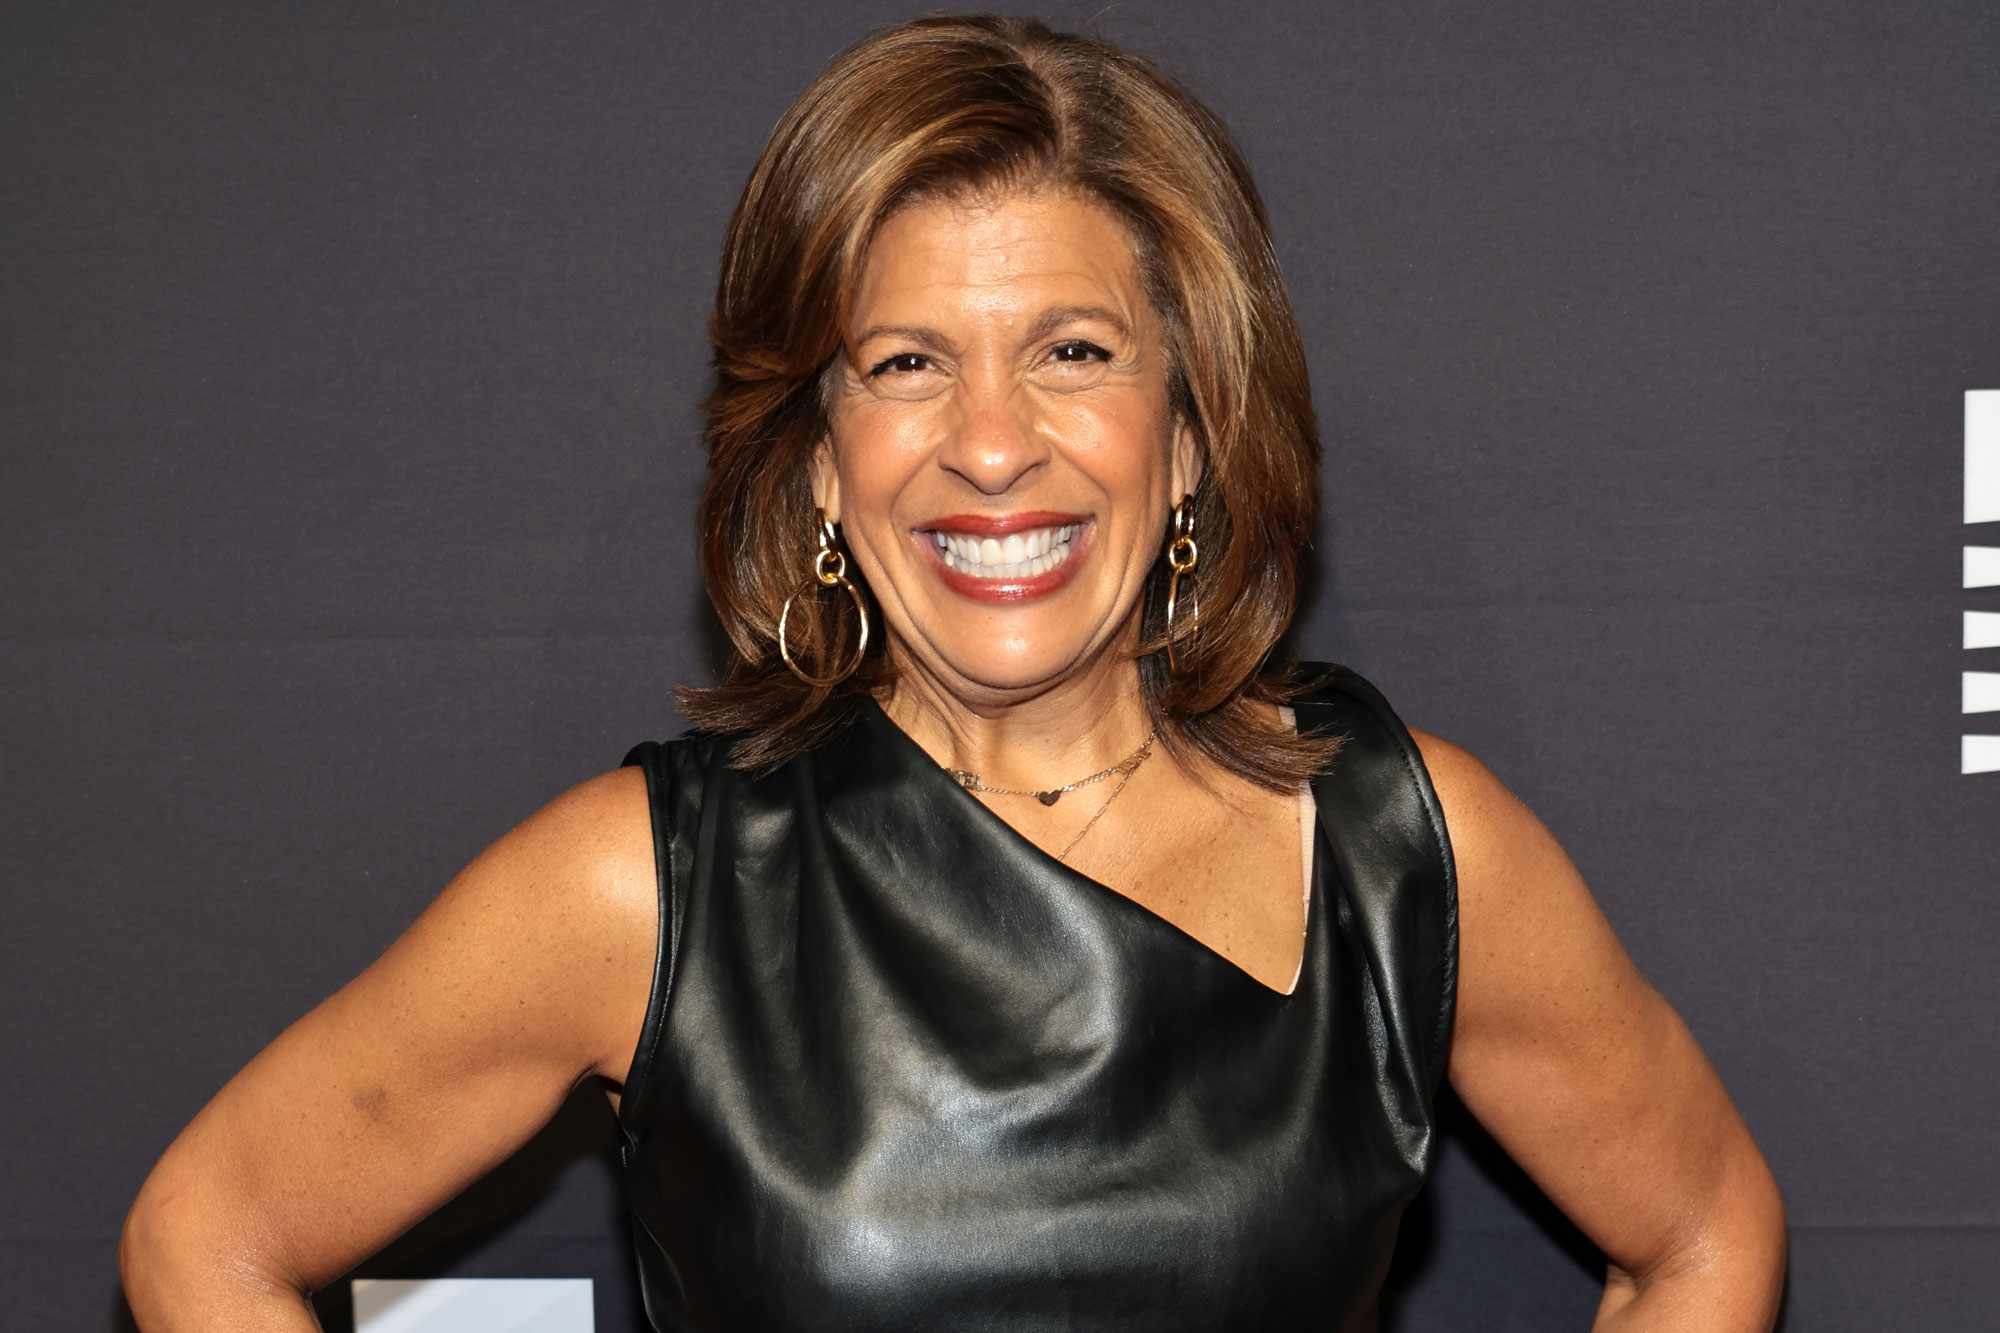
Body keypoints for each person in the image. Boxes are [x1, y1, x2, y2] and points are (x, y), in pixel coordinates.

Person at [119, 14, 1787, 1331]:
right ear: (823, 462)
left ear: (1190, 430)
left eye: (1074, 352)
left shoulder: (1402, 852)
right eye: (907, 364)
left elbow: (1707, 1229)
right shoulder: (647, 887)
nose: (993, 446)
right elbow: (211, 1234)